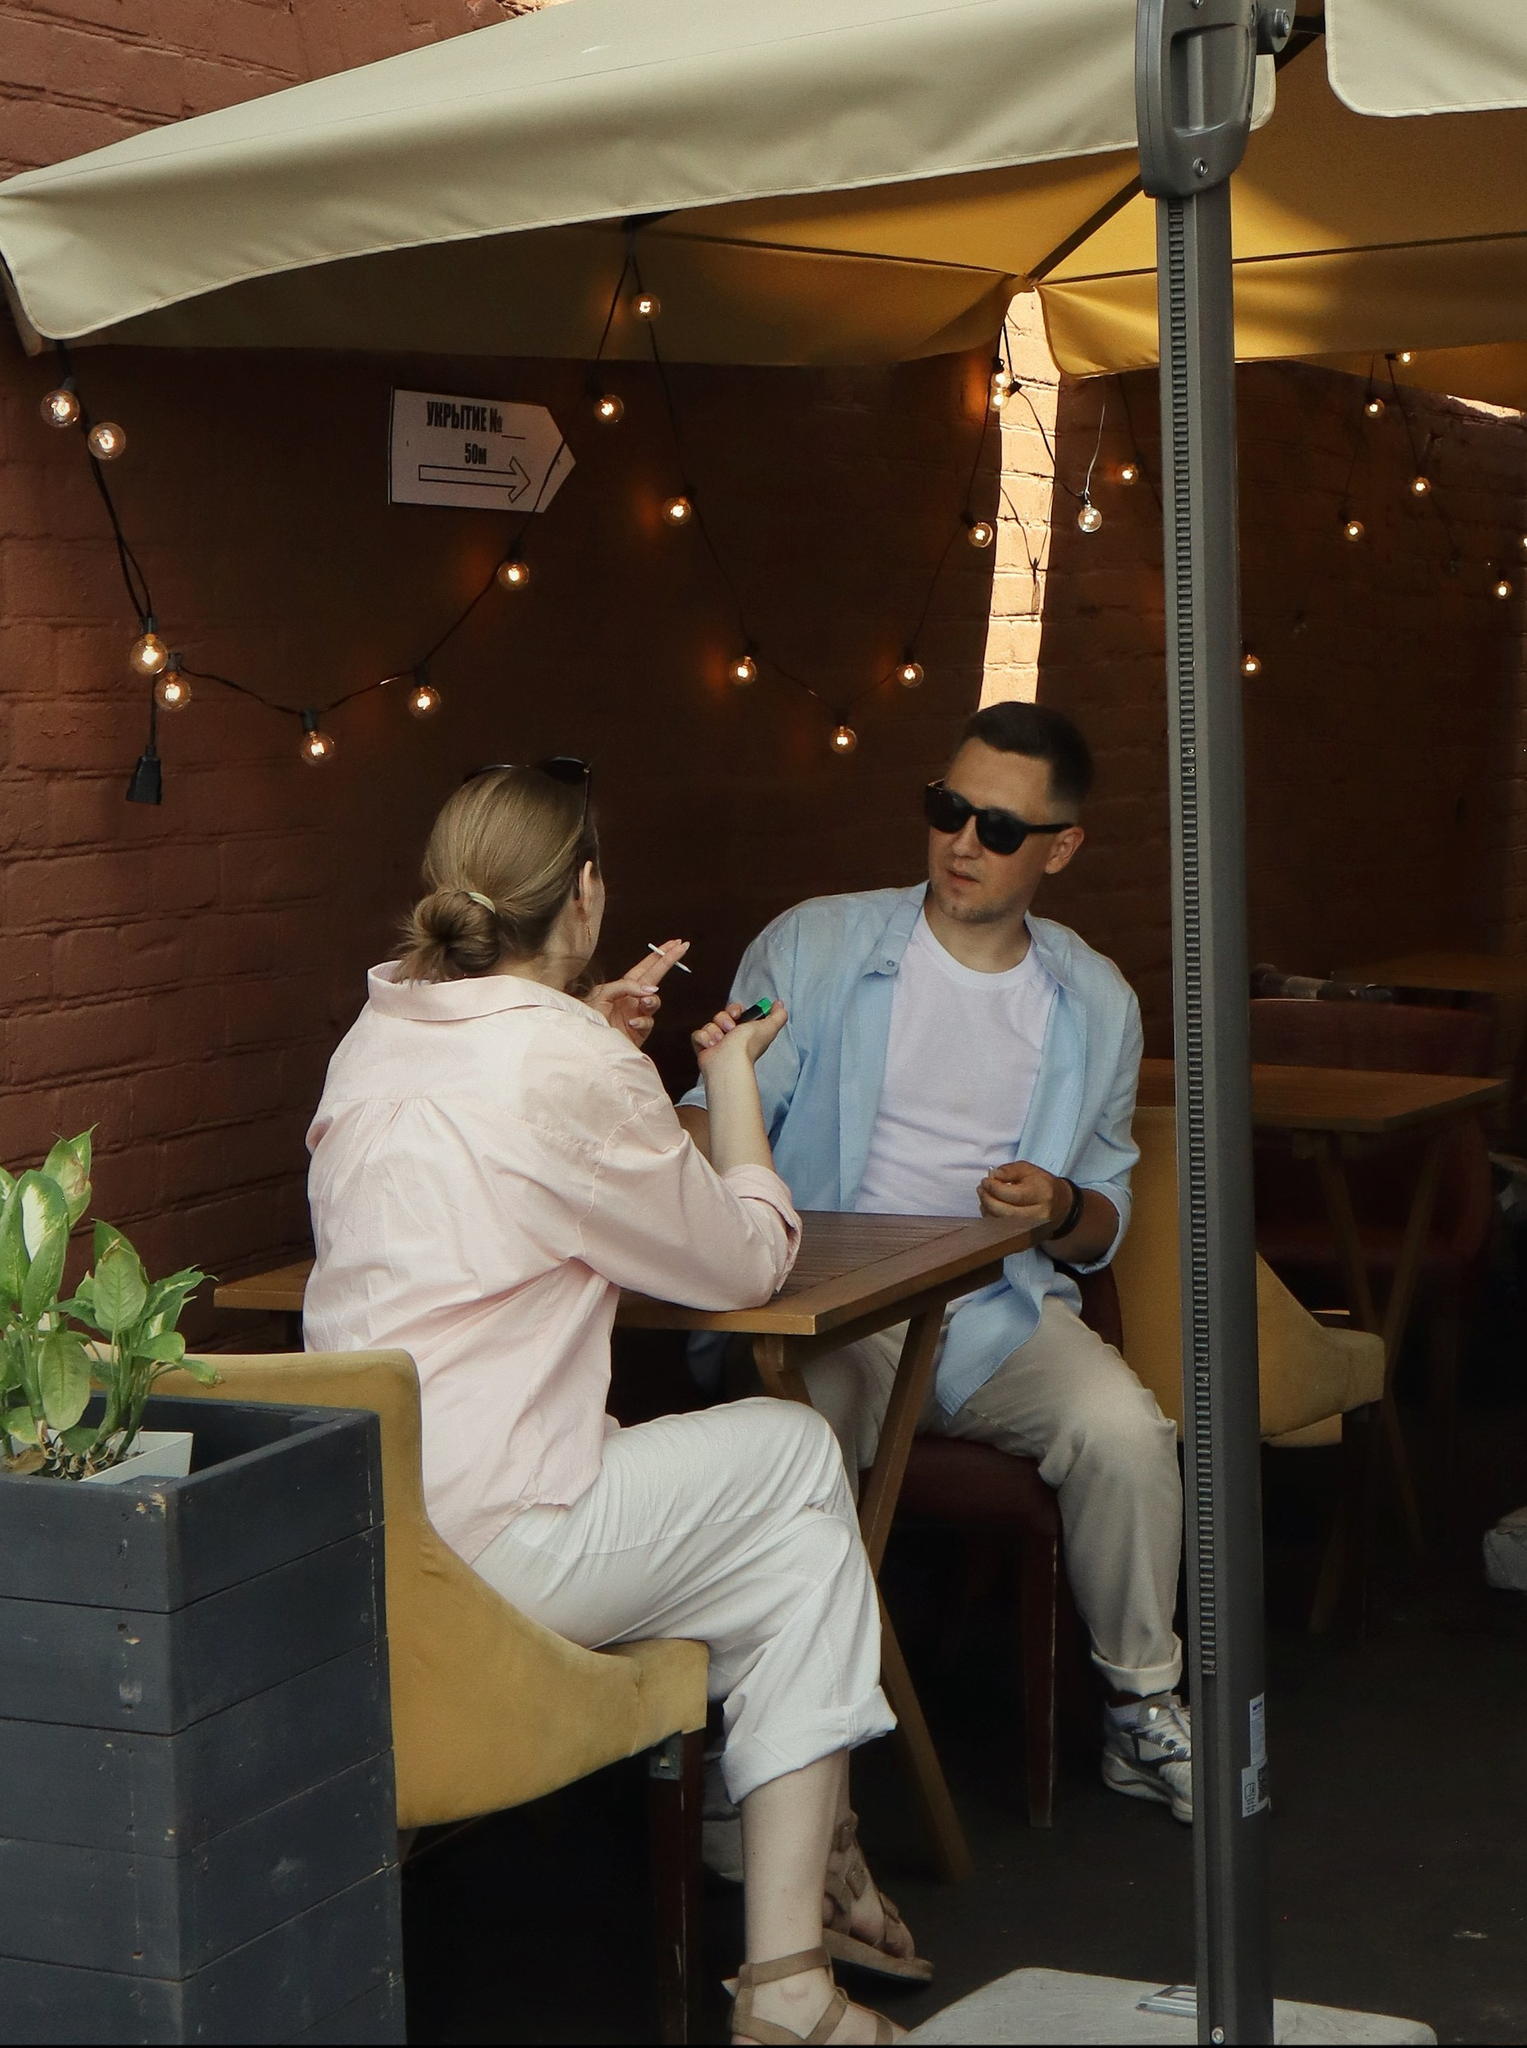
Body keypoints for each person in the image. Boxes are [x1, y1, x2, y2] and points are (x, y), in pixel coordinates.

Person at [305, 762, 918, 2047]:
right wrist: (729, 1081)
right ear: (584, 893)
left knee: (777, 1546)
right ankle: (792, 1954)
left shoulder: (377, 1029)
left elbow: (513, 1105)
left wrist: (589, 1020)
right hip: (501, 1548)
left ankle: (798, 1906)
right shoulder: (570, 1066)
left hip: (362, 1536)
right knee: (801, 1461)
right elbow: (745, 1259)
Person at [716, 702, 1191, 1821]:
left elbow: (1104, 1211)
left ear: (1061, 846)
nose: (962, 841)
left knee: (1128, 1433)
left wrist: (1061, 1201)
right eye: (946, 808)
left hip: (993, 1308)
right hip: (825, 1304)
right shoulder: (816, 945)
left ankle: (1140, 1704)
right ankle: (766, 1767)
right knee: (792, 1449)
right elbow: (716, 1120)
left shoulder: (1094, 998)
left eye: (998, 825)